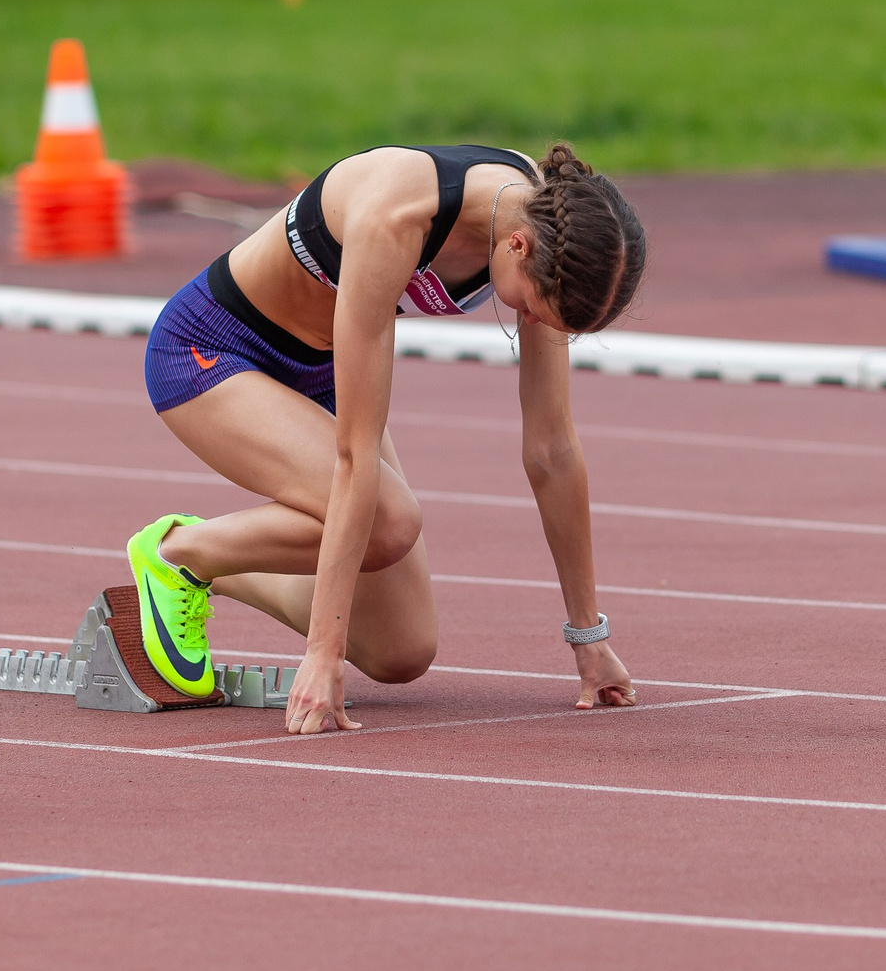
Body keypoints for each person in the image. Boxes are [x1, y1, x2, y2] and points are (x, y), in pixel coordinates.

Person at [131, 141, 648, 735]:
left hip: (323, 368)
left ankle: (217, 562)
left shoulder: (551, 224)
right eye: (531, 309)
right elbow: (355, 456)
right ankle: (175, 555)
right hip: (216, 351)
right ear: (518, 246)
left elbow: (552, 449)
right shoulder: (397, 217)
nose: (529, 322)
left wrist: (588, 636)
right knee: (389, 521)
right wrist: (322, 654)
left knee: (401, 652)